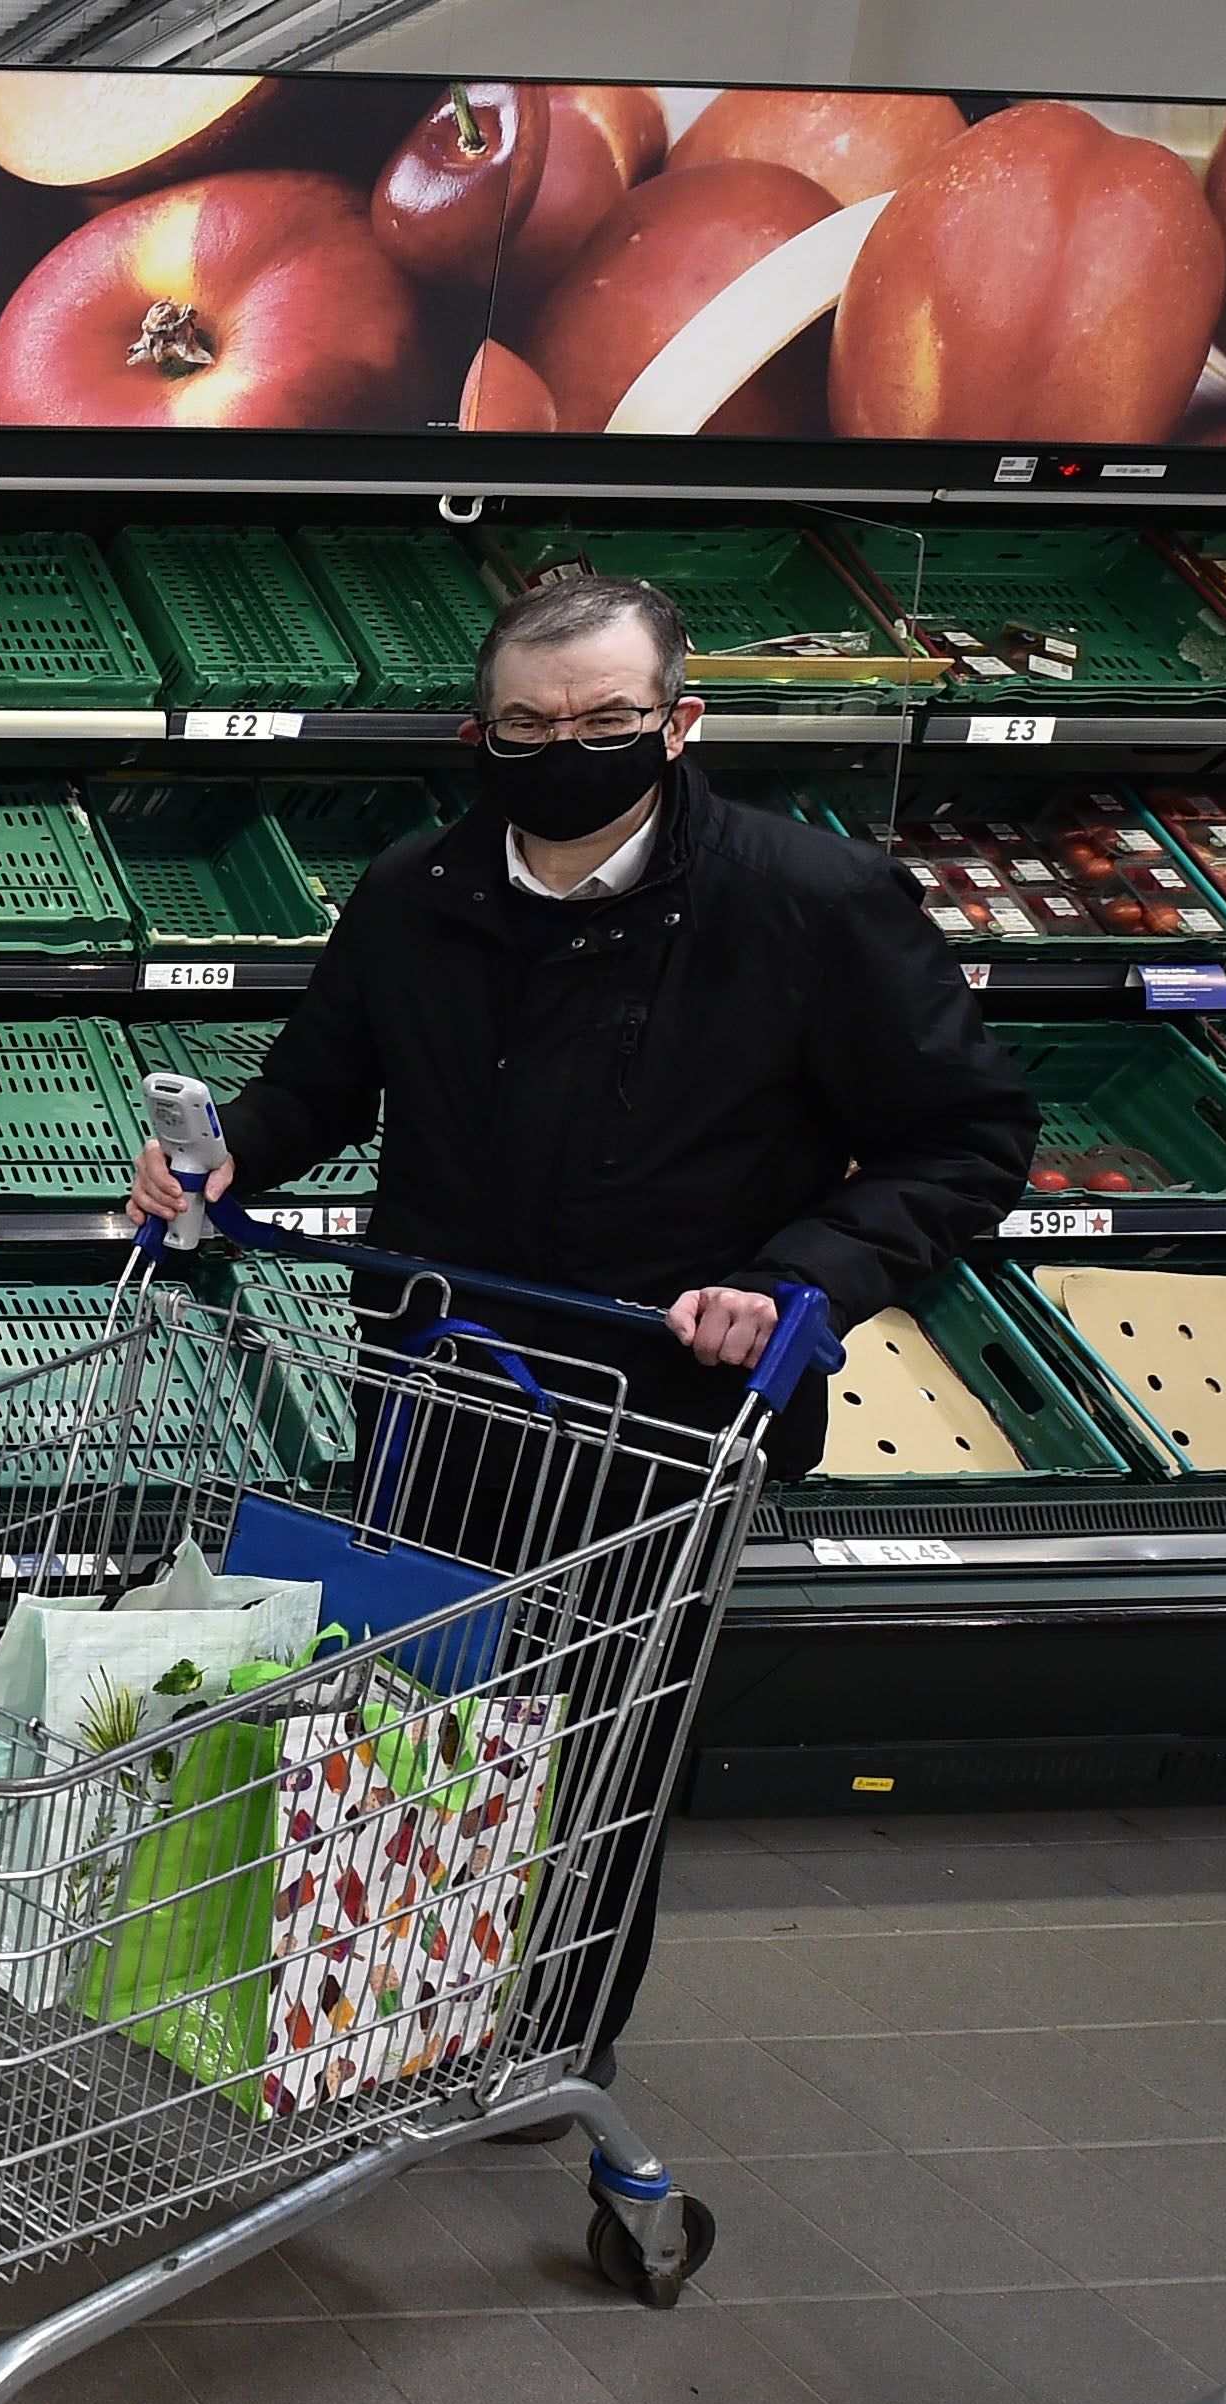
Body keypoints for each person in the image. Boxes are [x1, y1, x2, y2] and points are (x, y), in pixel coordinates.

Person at [125, 570, 1036, 2131]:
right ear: (480, 733)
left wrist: (799, 1276)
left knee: (600, 1738)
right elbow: (325, 1081)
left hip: (660, 1414)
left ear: (678, 723)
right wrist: (226, 1162)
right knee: (405, 1698)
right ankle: (379, 2005)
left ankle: (551, 2040)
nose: (569, 748)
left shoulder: (810, 905)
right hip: (442, 1381)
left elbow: (965, 1140)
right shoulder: (415, 892)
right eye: (533, 724)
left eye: (609, 720)